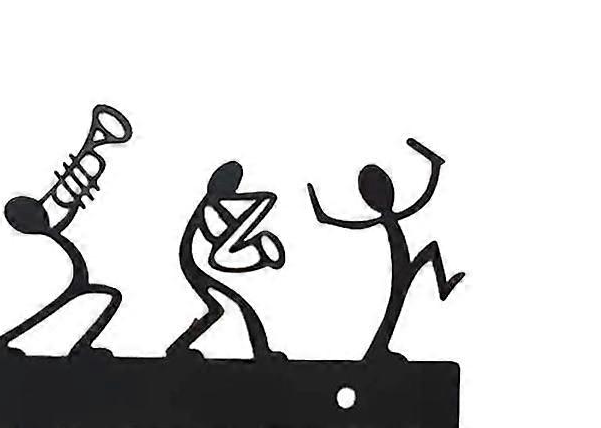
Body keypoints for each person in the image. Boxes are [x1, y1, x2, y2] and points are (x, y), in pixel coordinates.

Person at [307, 138, 465, 362]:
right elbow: (332, 220)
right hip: (400, 261)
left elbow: (426, 194)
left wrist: (435, 165)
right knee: (398, 295)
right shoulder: (387, 218)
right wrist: (434, 165)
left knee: (426, 256)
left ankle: (442, 287)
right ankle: (379, 348)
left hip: (403, 261)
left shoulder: (392, 216)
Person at [168, 161, 287, 360]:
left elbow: (230, 230)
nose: (234, 187)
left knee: (217, 309)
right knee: (234, 306)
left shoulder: (216, 205)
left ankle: (179, 347)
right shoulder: (209, 207)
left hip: (200, 264)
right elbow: (217, 237)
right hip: (198, 265)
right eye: (232, 183)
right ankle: (260, 351)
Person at [0, 194, 122, 357]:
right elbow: (55, 229)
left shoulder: (47, 231)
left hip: (76, 278)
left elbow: (58, 227)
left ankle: (81, 347)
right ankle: (81, 348)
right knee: (109, 296)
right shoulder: (44, 233)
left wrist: (72, 208)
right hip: (73, 278)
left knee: (108, 295)